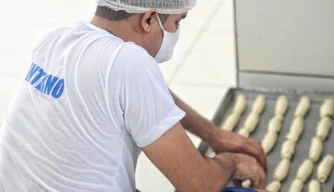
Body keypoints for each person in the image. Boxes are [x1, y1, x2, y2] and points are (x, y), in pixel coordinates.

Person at [0, 0, 267, 191]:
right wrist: (231, 163)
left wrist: (211, 134)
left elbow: (144, 96)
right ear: (149, 19)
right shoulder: (130, 63)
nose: (176, 32)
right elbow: (198, 184)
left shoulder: (55, 42)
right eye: (176, 21)